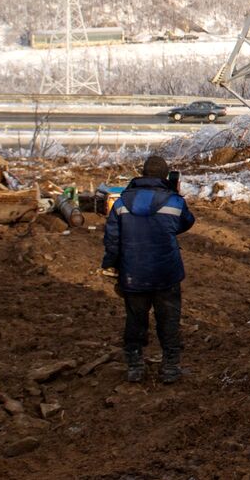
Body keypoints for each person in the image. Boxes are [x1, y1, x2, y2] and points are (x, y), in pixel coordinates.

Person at [101, 154, 195, 384]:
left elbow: (112, 238)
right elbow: (186, 222)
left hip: (133, 273)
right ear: (165, 176)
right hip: (166, 273)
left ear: (142, 174)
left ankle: (135, 366)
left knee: (135, 319)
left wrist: (111, 264)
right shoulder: (174, 202)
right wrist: (176, 194)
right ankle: (170, 367)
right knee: (169, 319)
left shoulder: (122, 202)